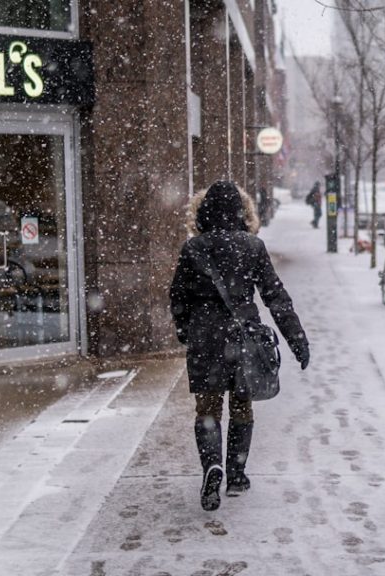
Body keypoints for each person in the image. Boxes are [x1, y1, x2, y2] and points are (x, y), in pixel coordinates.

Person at [170, 181, 310, 511]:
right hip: (242, 336)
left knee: (207, 408)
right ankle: (236, 474)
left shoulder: (193, 249)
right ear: (241, 212)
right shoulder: (253, 246)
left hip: (206, 338)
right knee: (241, 406)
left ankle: (211, 467)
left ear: (203, 213)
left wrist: (185, 329)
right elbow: (275, 297)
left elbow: (178, 295)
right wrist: (297, 340)